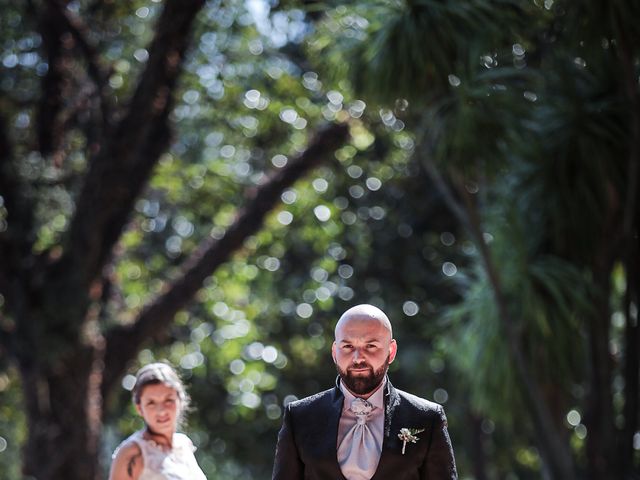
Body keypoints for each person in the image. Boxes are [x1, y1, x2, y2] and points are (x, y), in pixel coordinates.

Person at [272, 304, 457, 480]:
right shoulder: (299, 417)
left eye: (370, 346)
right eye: (348, 346)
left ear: (391, 352)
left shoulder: (427, 418)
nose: (358, 358)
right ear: (335, 352)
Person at [109, 362, 207, 480]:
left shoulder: (184, 445)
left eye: (168, 400)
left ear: (180, 400)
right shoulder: (132, 452)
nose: (161, 411)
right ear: (139, 408)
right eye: (151, 403)